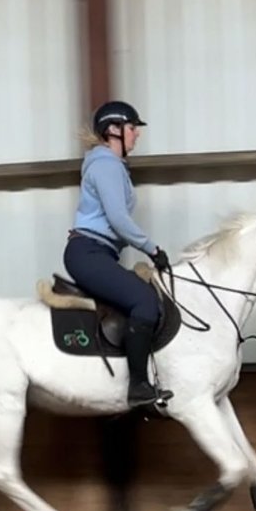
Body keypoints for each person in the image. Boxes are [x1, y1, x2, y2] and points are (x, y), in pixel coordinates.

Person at [64, 100, 174, 408]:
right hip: (89, 253)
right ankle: (137, 386)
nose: (137, 135)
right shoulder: (106, 165)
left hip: (98, 253)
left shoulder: (111, 166)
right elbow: (118, 219)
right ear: (114, 130)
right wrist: (153, 249)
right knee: (145, 301)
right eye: (132, 128)